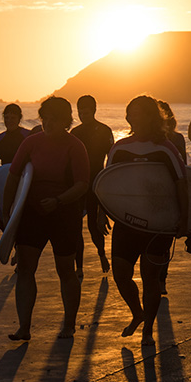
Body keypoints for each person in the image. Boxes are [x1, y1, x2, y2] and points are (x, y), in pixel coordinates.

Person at [3, 96, 89, 340]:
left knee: (66, 270)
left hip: (64, 213)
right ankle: (24, 328)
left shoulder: (75, 146)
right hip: (33, 214)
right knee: (26, 269)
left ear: (66, 122)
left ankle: (69, 324)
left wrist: (59, 200)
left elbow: (83, 184)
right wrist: (6, 212)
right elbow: (12, 178)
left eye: (54, 120)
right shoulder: (31, 143)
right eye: (45, 119)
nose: (48, 124)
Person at [106, 96, 189, 347]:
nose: (131, 117)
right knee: (121, 275)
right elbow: (107, 184)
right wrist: (101, 214)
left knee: (151, 278)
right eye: (129, 112)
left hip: (158, 223)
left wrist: (184, 220)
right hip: (127, 222)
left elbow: (181, 184)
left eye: (138, 112)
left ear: (151, 117)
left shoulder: (166, 148)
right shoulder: (119, 148)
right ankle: (137, 313)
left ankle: (148, 329)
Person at [70, 95, 115, 277]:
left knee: (94, 225)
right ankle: (79, 267)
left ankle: (102, 254)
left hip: (97, 183)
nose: (82, 115)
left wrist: (110, 189)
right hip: (78, 184)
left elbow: (111, 160)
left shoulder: (105, 131)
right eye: (80, 112)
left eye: (86, 112)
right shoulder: (75, 133)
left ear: (94, 111)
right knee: (75, 226)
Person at [157, 100, 188, 295]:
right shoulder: (147, 140)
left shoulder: (177, 139)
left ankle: (162, 279)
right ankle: (157, 279)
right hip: (154, 192)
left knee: (165, 239)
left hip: (169, 193)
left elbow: (183, 168)